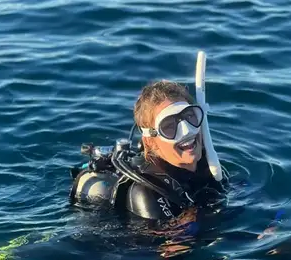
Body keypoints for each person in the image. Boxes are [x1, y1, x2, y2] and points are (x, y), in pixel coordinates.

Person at [69, 80, 230, 222]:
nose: (187, 130)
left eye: (190, 116)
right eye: (169, 127)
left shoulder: (208, 163)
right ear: (151, 142)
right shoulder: (146, 192)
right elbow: (172, 251)